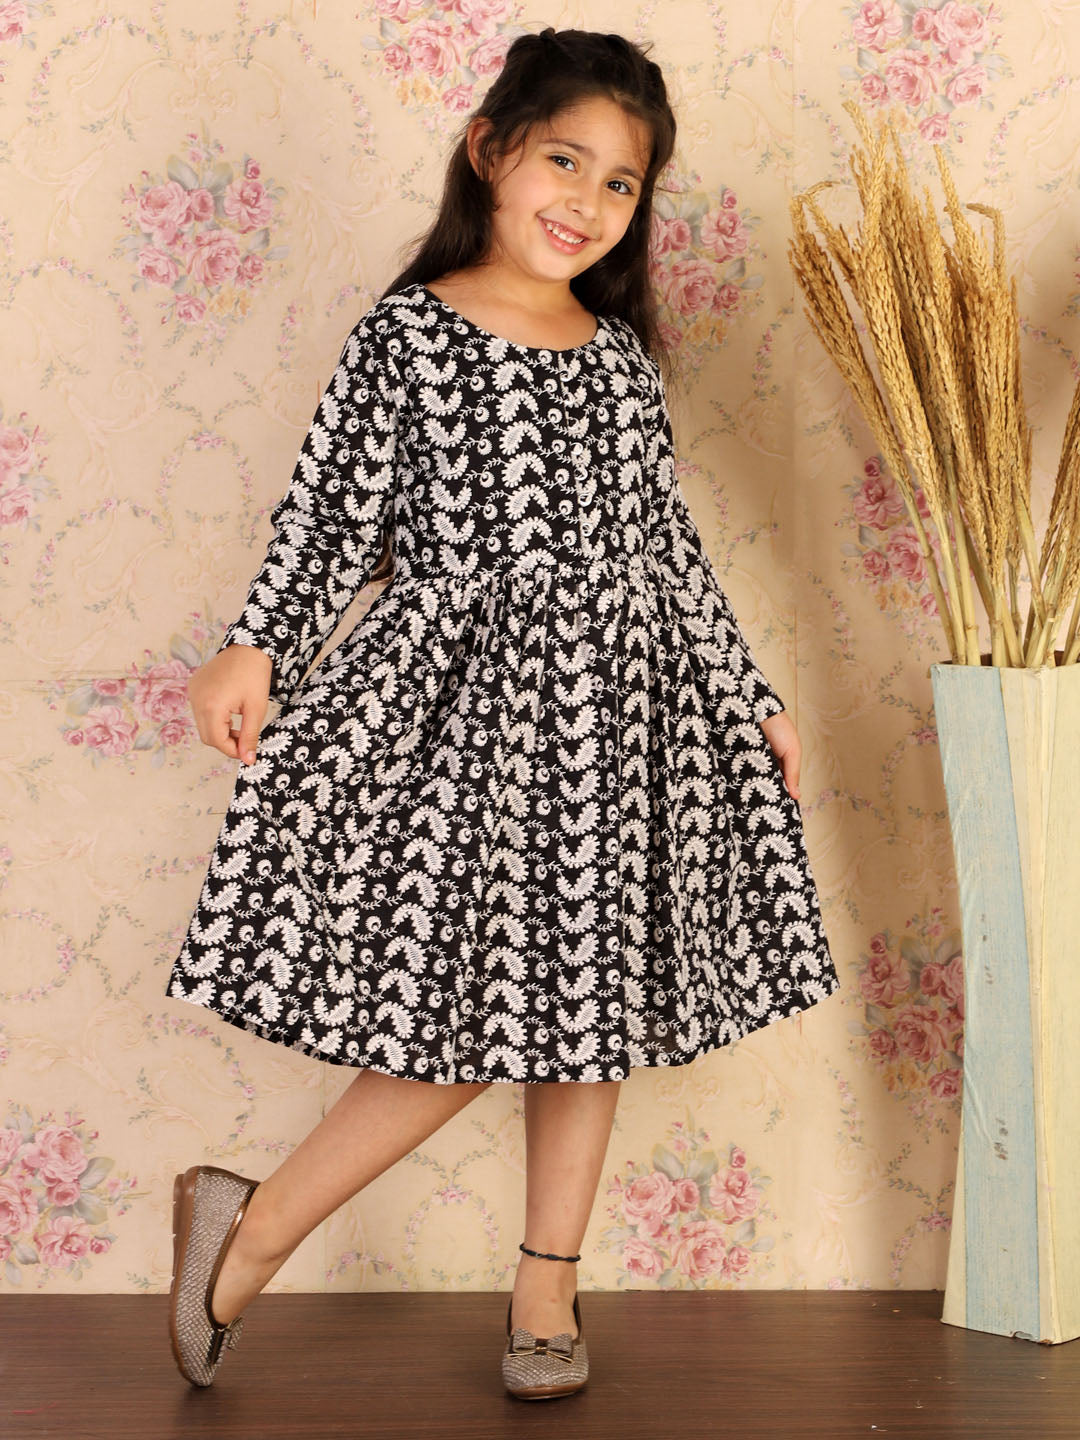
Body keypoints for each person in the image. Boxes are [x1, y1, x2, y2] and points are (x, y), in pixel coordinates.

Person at [166, 26, 841, 1402]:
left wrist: (747, 694)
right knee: (467, 1017)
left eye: (620, 182)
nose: (588, 200)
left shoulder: (620, 360)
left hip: (621, 720)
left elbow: (666, 549)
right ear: (489, 151)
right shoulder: (411, 335)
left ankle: (547, 1288)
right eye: (563, 161)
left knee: (591, 1005)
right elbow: (332, 513)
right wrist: (256, 643)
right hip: (469, 722)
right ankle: (255, 1229)